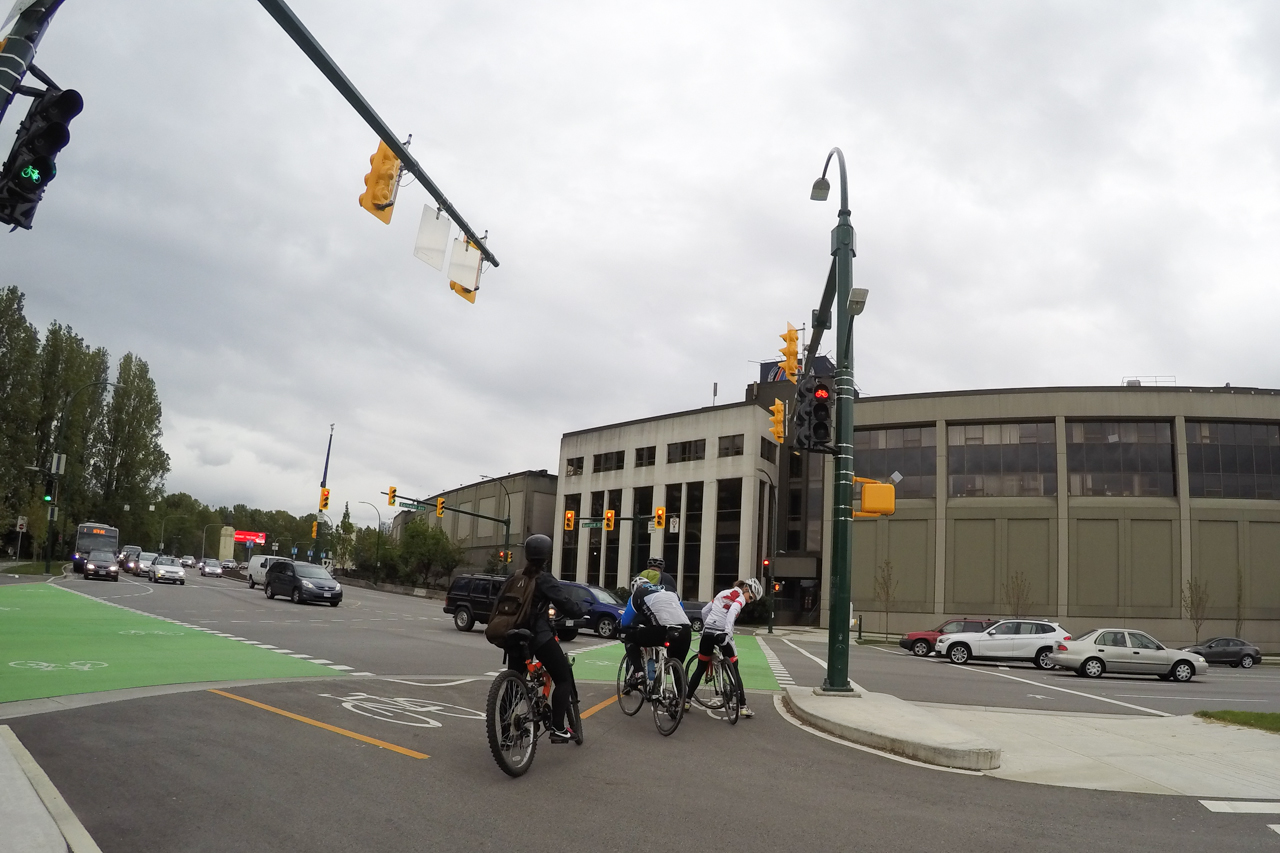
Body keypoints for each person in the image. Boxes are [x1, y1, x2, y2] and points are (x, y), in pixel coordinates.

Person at [503, 534, 585, 743]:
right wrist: (580, 611)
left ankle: (504, 736)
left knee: (513, 686)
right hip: (537, 636)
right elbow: (565, 603)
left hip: (513, 636)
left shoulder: (515, 577)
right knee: (563, 678)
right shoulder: (544, 579)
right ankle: (558, 728)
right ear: (547, 556)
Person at [686, 577, 764, 718]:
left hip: (708, 632)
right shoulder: (740, 597)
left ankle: (686, 701)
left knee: (700, 667)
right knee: (735, 668)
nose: (749, 601)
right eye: (751, 597)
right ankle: (743, 706)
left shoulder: (722, 593)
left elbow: (704, 611)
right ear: (746, 589)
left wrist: (707, 626)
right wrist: (727, 632)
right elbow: (733, 611)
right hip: (721, 633)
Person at [620, 576, 691, 690]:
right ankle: (681, 696)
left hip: (662, 629)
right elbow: (680, 609)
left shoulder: (638, 593)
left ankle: (639, 673)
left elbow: (625, 621)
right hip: (685, 629)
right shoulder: (670, 589)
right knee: (676, 667)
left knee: (630, 638)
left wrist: (619, 626)